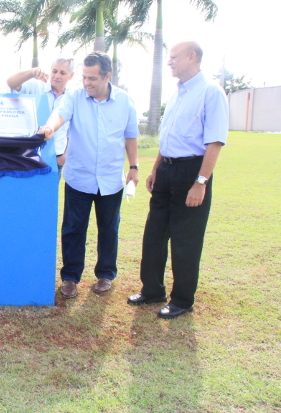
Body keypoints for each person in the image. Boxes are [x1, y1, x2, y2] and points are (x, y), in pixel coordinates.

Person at [127, 41, 228, 319]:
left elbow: (215, 142)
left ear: (191, 57)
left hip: (191, 172)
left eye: (173, 57)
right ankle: (152, 290)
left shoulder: (211, 92)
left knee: (185, 239)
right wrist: (156, 168)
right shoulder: (178, 94)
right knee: (154, 233)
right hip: (167, 171)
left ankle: (182, 299)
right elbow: (168, 137)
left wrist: (201, 182)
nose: (169, 62)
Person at [38, 52, 139, 299]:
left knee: (109, 229)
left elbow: (130, 135)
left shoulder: (125, 100)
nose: (87, 82)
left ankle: (105, 274)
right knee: (73, 229)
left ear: (107, 76)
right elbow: (59, 114)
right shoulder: (74, 97)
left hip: (111, 180)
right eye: (84, 77)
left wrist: (134, 167)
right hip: (79, 177)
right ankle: (71, 277)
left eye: (92, 78)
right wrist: (50, 127)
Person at [7, 58, 75, 178]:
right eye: (54, 71)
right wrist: (32, 72)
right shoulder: (36, 87)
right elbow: (11, 83)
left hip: (55, 160)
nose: (57, 76)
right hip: (29, 156)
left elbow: (73, 130)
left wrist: (64, 155)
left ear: (71, 75)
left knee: (49, 197)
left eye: (62, 73)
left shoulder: (72, 98)